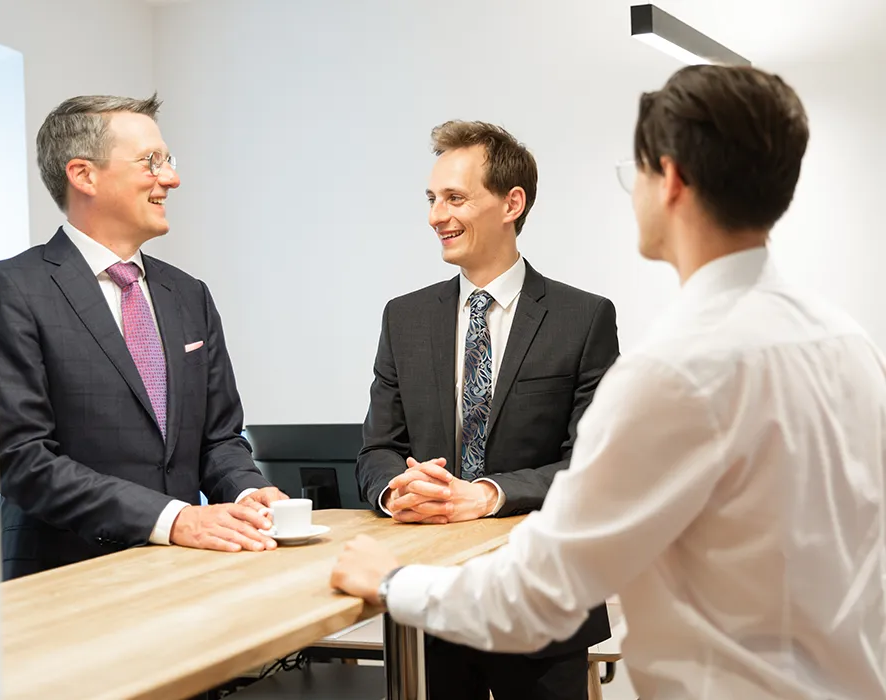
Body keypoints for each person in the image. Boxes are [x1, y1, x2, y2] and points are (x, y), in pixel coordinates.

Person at [333, 64, 886, 700]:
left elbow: (543, 592)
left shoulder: (673, 372)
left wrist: (391, 581)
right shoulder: (849, 345)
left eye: (635, 173)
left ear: (669, 180)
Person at [355, 120, 619, 699]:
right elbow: (377, 449)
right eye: (431, 199)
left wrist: (488, 494)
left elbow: (593, 468)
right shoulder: (404, 318)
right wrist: (398, 490)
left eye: (454, 198)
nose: (435, 216)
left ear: (511, 204)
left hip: (541, 601)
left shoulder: (584, 318)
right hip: (429, 598)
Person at [0, 94, 287, 581]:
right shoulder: (11, 289)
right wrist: (173, 519)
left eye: (169, 161)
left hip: (183, 575)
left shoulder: (188, 294)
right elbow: (21, 459)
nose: (171, 178)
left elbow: (219, 438)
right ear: (83, 175)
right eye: (152, 161)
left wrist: (247, 492)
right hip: (63, 580)